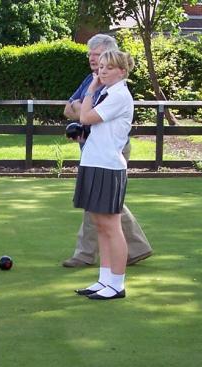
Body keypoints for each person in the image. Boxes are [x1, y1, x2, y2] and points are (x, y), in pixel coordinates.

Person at [62, 34, 152, 268]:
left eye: (98, 55)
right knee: (105, 203)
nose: (93, 60)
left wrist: (83, 106)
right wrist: (82, 108)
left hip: (111, 150)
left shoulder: (113, 88)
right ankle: (134, 249)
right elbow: (68, 109)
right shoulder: (91, 79)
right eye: (91, 55)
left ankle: (88, 255)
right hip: (92, 147)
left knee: (105, 204)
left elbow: (85, 114)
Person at [73, 49, 135, 300]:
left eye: (109, 67)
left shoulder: (119, 94)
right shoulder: (109, 93)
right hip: (94, 162)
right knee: (100, 226)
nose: (102, 71)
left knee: (111, 226)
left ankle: (117, 285)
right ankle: (105, 280)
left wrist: (90, 89)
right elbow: (93, 125)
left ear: (122, 71)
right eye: (101, 67)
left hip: (108, 167)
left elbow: (85, 116)